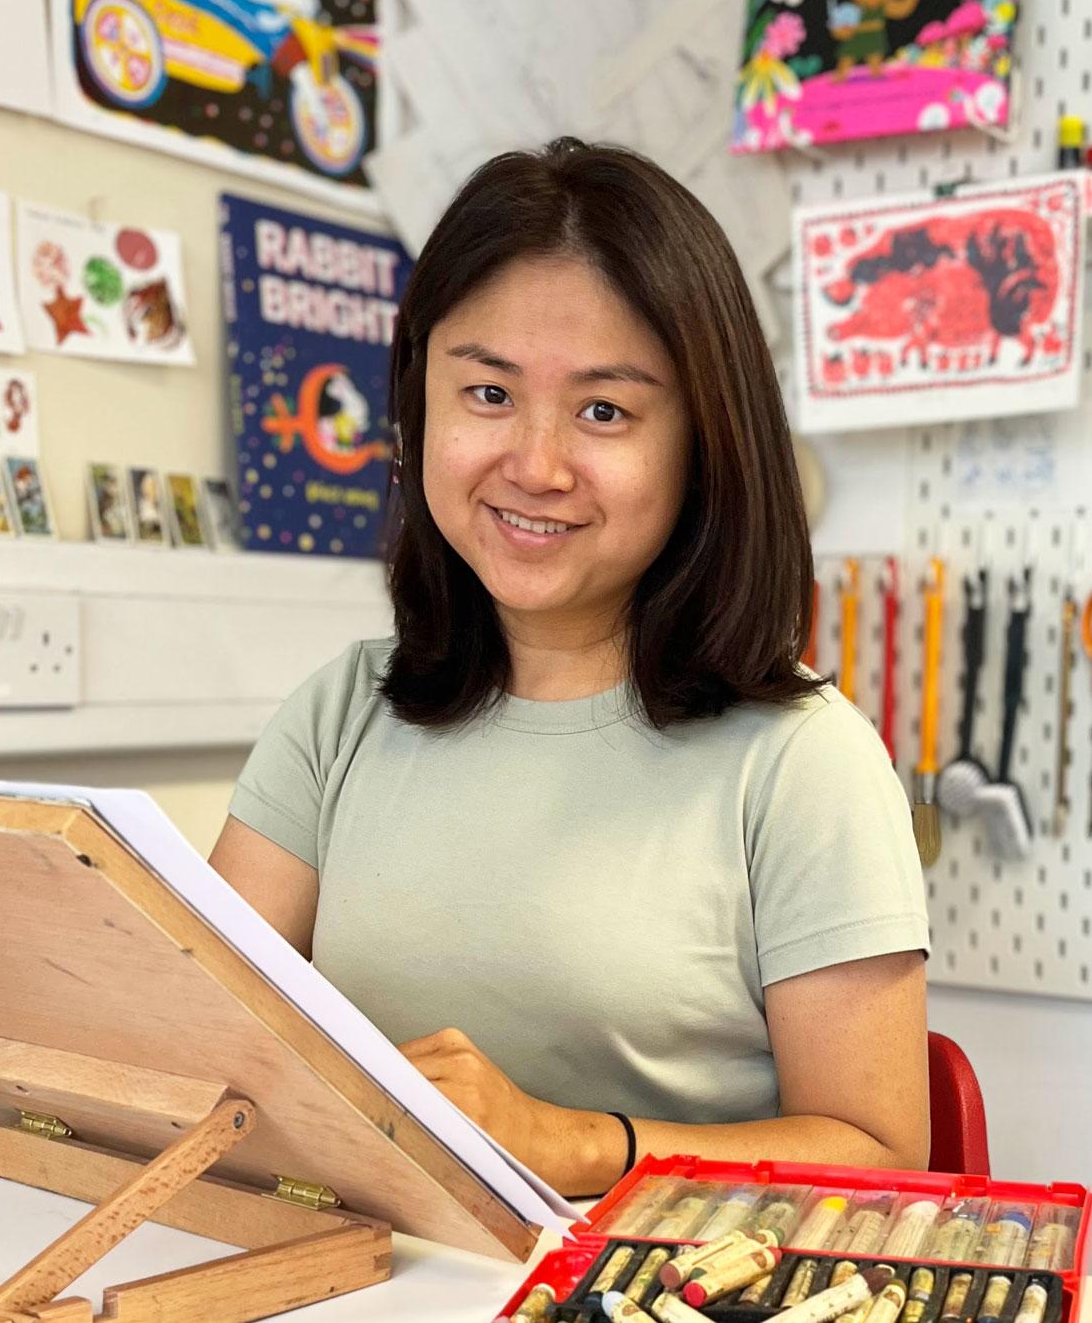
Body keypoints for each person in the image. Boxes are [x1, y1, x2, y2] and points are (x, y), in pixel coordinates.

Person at [209, 138, 931, 1198]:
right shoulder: (338, 715)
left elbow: (878, 1155)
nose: (535, 466)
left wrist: (578, 1144)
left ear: (703, 445)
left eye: (604, 411)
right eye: (488, 394)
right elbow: (200, 1029)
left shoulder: (802, 763)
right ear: (417, 407)